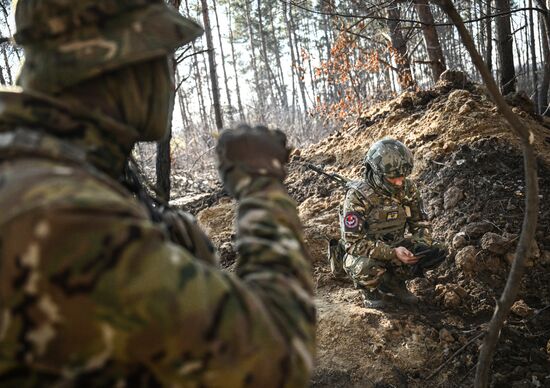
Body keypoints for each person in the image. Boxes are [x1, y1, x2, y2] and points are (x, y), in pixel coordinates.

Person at [0, 1, 315, 386]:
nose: (169, 79)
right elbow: (277, 354)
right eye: (162, 55)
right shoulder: (56, 212)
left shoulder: (42, 168)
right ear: (112, 60)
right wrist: (260, 184)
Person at [338, 138, 445, 309]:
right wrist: (393, 253)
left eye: (402, 177)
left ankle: (395, 283)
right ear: (376, 172)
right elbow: (353, 243)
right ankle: (369, 289)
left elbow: (420, 222)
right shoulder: (357, 197)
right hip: (365, 253)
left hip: (396, 244)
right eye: (392, 178)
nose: (399, 182)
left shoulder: (408, 189)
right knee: (367, 267)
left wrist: (421, 244)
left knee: (436, 250)